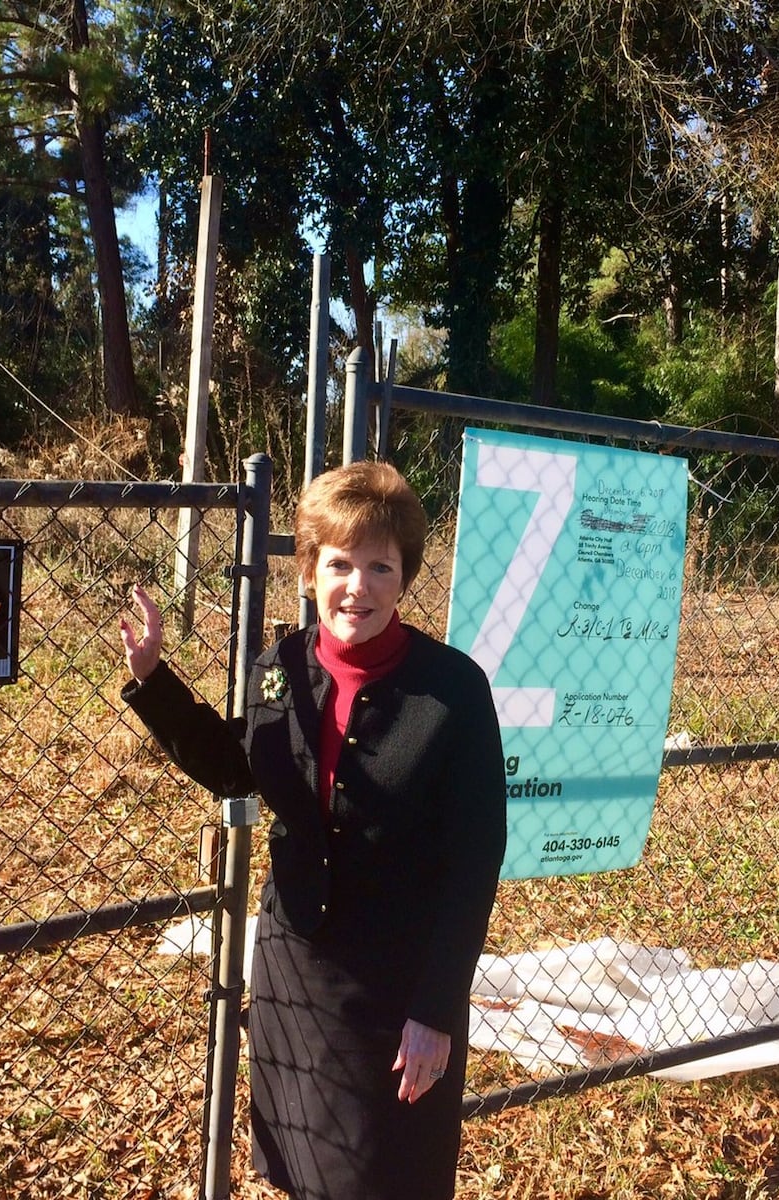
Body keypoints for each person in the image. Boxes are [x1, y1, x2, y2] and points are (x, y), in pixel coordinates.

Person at [119, 460, 507, 1200]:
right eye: (338, 563)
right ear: (309, 570)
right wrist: (155, 683)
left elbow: (475, 860)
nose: (356, 585)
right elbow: (240, 768)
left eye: (378, 565)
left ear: (404, 575)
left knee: (384, 1174)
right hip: (296, 971)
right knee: (301, 1166)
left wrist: (435, 1009)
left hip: (396, 985)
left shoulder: (454, 691)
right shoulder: (282, 668)